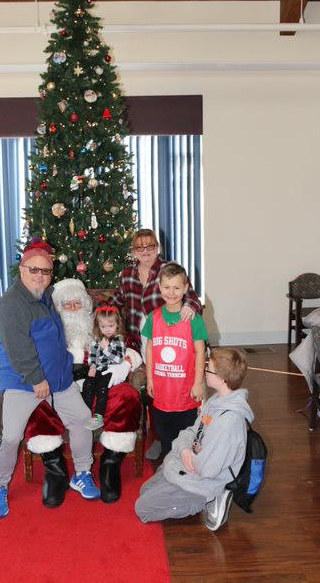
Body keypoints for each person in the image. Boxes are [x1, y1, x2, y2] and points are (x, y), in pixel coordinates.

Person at [0, 238, 100, 519]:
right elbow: (18, 349)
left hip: (58, 377)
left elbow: (75, 307)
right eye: (34, 269)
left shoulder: (47, 295)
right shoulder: (11, 305)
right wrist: (36, 379)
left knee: (83, 420)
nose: (39, 275)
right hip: (24, 381)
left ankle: (82, 473)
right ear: (22, 269)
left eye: (46, 271)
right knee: (11, 437)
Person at [24, 278, 143, 503]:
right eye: (66, 304)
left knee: (128, 397)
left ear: (85, 306)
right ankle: (55, 470)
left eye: (77, 303)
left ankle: (110, 465)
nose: (72, 309)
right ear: (58, 308)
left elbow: (129, 345)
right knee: (35, 404)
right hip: (61, 388)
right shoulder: (48, 332)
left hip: (100, 387)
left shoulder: (99, 327)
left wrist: (126, 364)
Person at [135, 347, 252, 531]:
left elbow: (207, 469)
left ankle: (207, 500)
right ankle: (184, 487)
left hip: (202, 482)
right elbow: (190, 431)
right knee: (144, 491)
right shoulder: (215, 401)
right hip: (189, 467)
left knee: (143, 509)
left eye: (208, 368)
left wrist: (188, 456)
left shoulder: (228, 422)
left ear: (222, 379)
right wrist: (184, 450)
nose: (204, 371)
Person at [111, 228, 202, 460]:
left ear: (157, 247)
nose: (145, 251)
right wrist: (100, 315)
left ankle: (182, 438)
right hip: (137, 339)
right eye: (140, 247)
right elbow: (118, 301)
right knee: (153, 388)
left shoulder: (168, 270)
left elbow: (191, 297)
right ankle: (159, 437)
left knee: (170, 381)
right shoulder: (127, 274)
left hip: (167, 339)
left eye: (150, 246)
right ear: (134, 250)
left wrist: (189, 307)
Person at [142, 262, 208, 457]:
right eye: (167, 287)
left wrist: (198, 383)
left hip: (186, 393)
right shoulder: (153, 317)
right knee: (165, 436)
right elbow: (150, 349)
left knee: (186, 439)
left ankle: (185, 469)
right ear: (159, 287)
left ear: (186, 288)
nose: (171, 293)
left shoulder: (194, 320)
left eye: (177, 288)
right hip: (161, 392)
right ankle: (168, 467)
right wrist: (150, 379)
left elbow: (200, 352)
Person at [83, 305, 127, 430]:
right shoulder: (96, 339)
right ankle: (85, 412)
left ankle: (98, 416)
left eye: (110, 326)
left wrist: (106, 349)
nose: (107, 330)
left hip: (111, 370)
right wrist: (92, 366)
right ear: (98, 326)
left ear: (117, 324)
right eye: (103, 326)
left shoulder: (118, 340)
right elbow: (92, 355)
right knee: (88, 384)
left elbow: (119, 359)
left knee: (102, 387)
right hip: (98, 369)